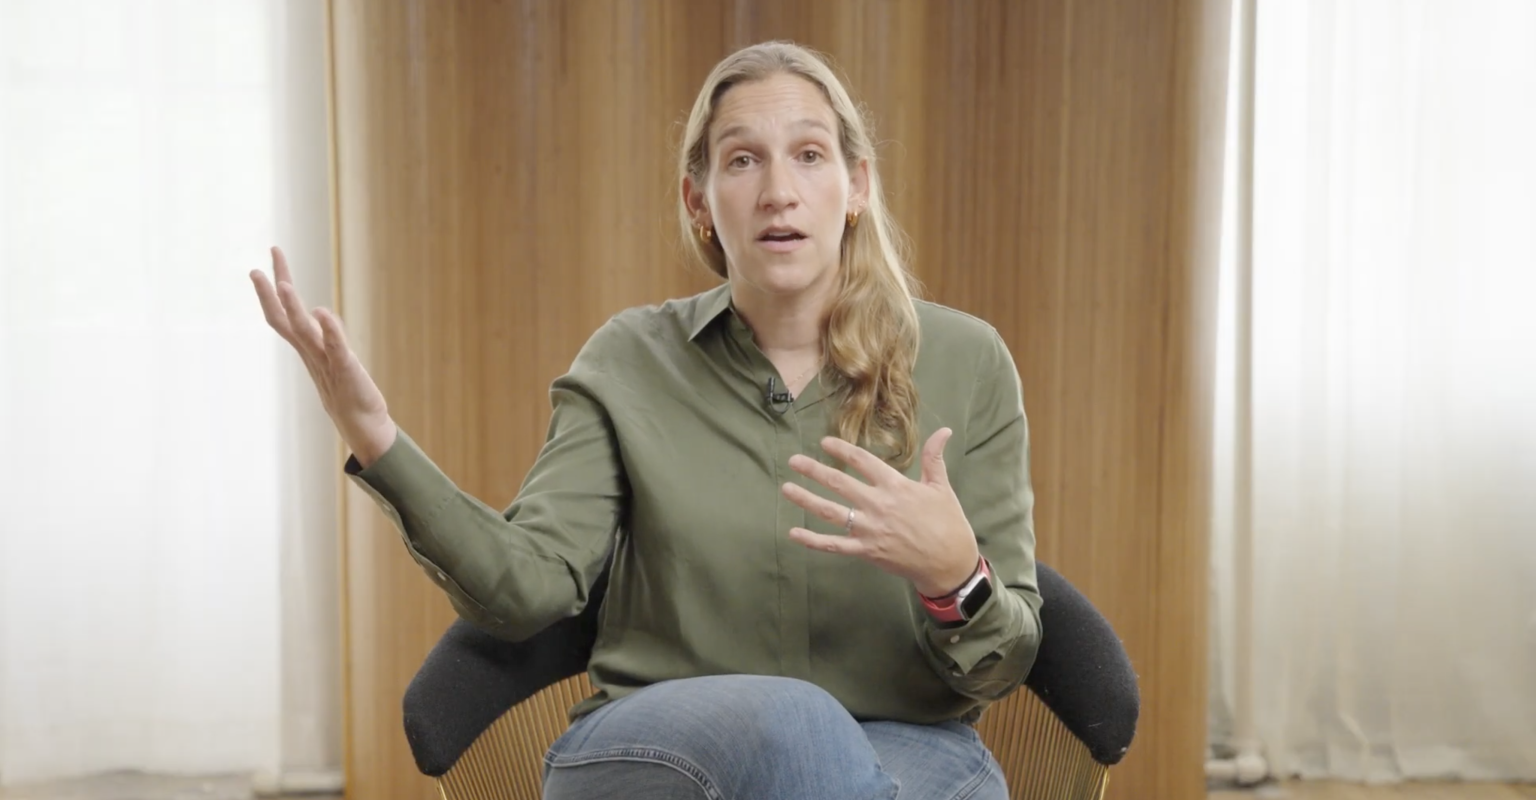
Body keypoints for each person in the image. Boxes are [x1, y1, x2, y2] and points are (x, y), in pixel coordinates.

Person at [253, 40, 1042, 800]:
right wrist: (375, 436)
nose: (779, 191)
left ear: (857, 185)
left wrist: (956, 580)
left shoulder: (968, 363)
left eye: (808, 154)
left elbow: (1004, 660)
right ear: (699, 202)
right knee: (795, 723)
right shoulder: (631, 358)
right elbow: (525, 588)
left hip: (908, 744)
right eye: (742, 160)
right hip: (655, 745)